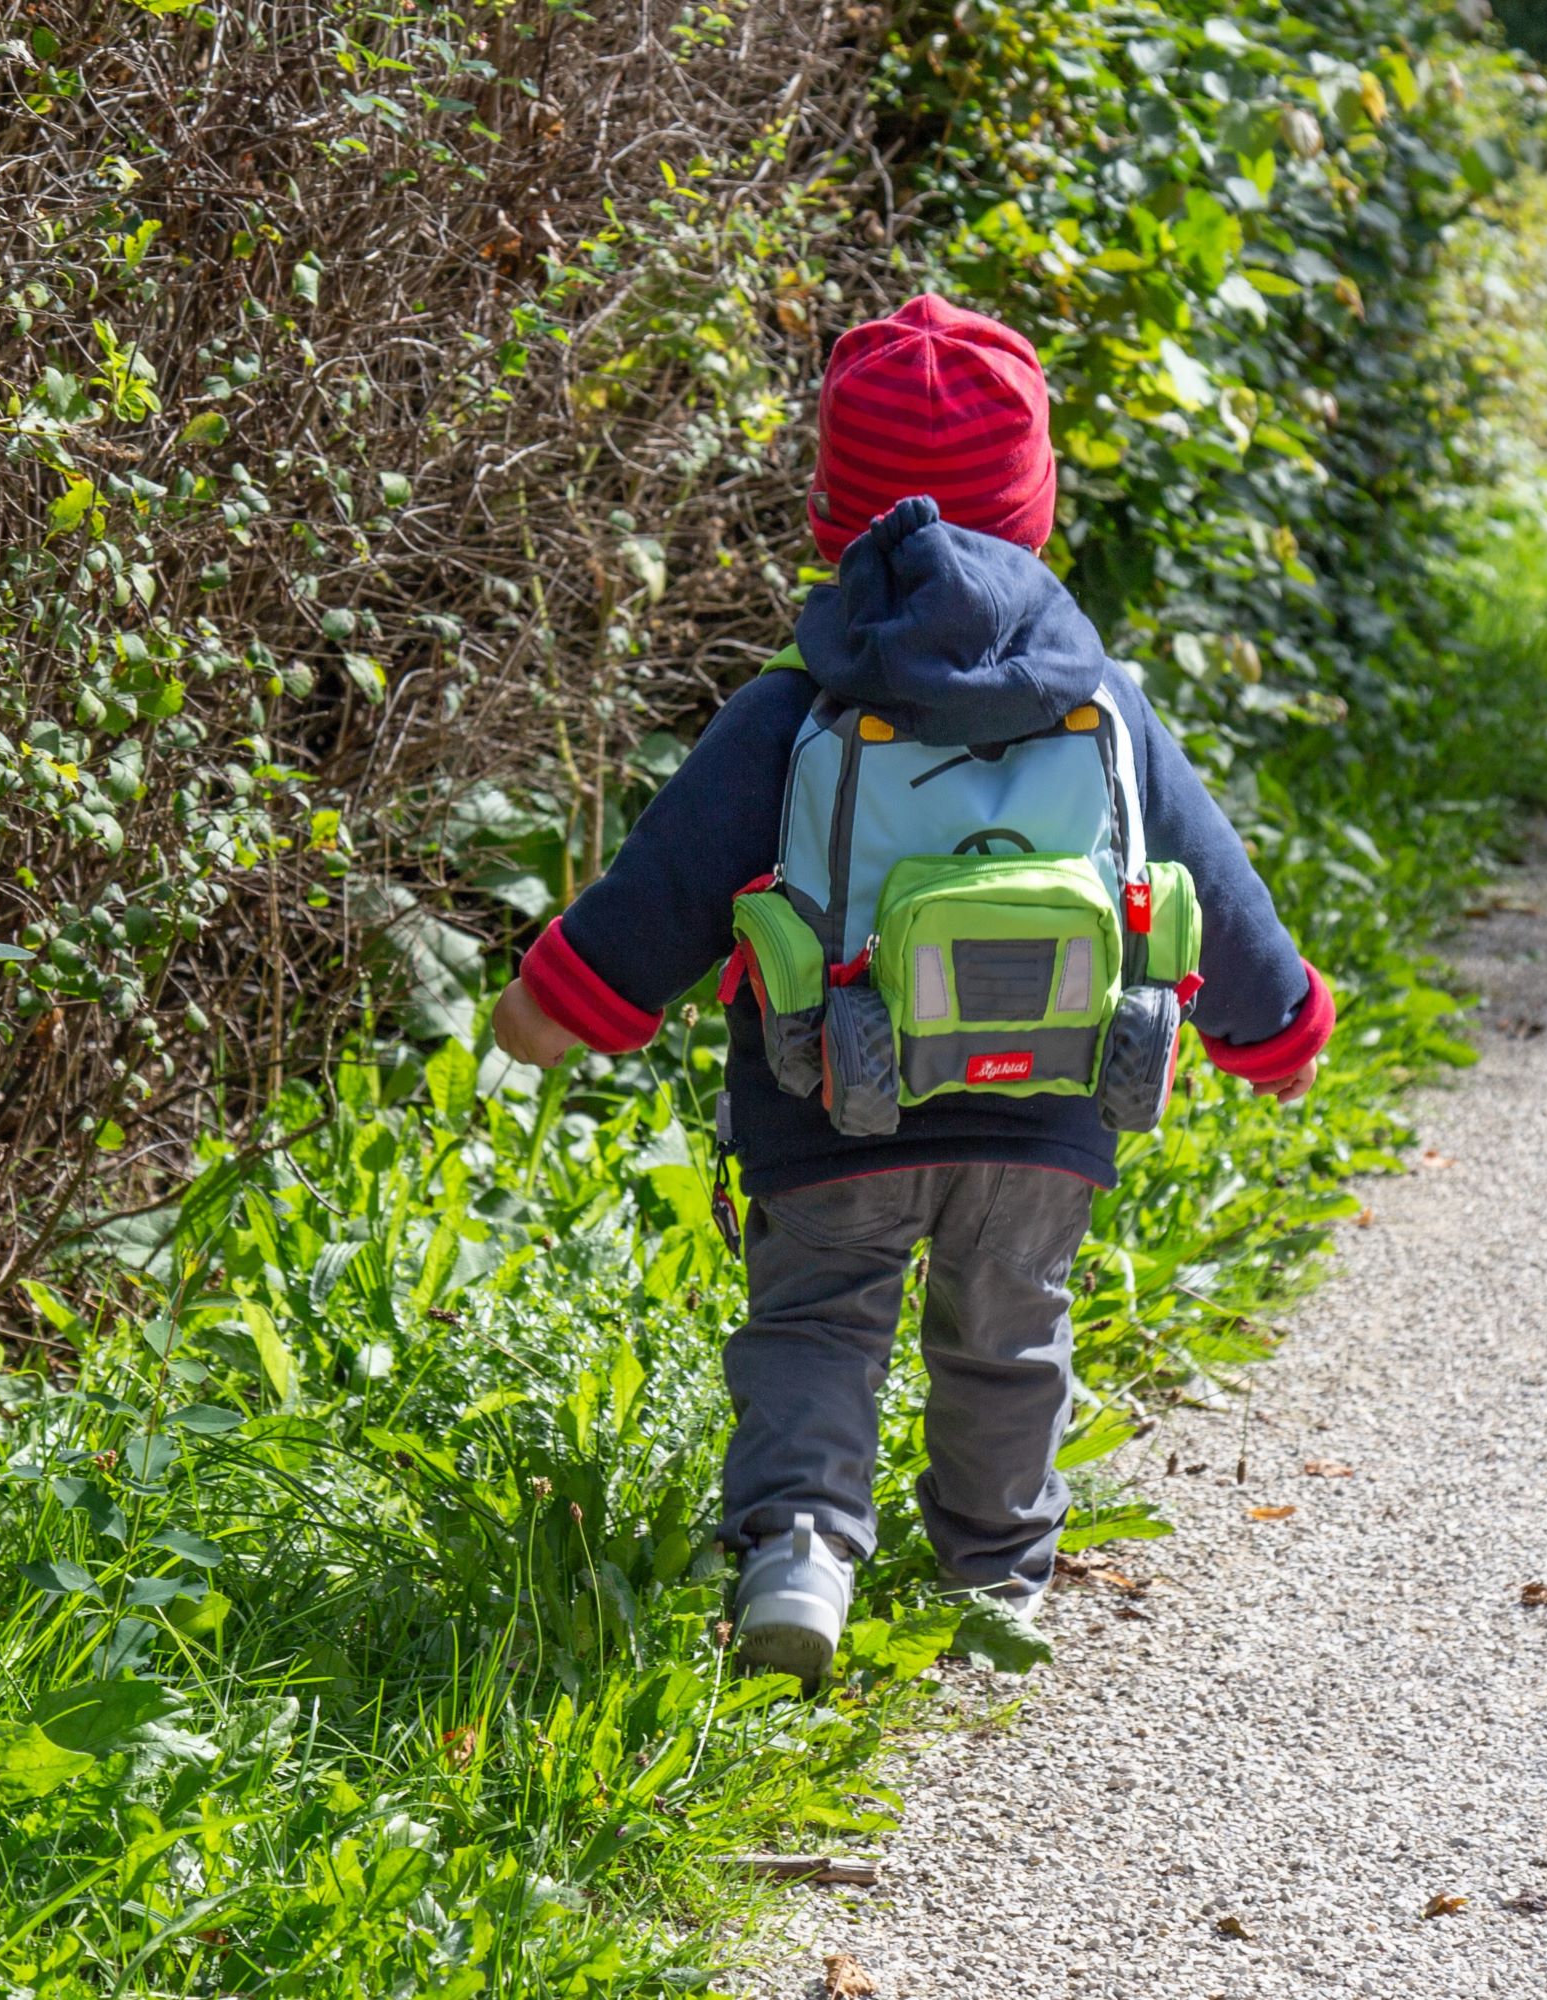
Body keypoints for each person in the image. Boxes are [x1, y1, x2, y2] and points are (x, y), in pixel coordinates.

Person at [494, 294, 1331, 1684]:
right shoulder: (1102, 705)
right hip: (1049, 1111)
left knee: (819, 1327)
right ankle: (997, 1577)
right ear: (1039, 508)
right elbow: (1217, 888)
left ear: (832, 518)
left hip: (833, 1103)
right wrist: (1278, 1029)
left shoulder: (793, 709)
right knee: (1011, 1338)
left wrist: (560, 1008)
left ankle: (802, 1550)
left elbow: (663, 892)